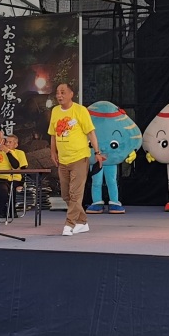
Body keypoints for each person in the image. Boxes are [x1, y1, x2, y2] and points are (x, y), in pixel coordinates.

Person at [48, 82, 103, 236]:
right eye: (58, 92)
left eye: (63, 92)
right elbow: (53, 134)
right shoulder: (55, 111)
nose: (59, 95)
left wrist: (97, 152)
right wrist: (53, 152)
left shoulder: (80, 110)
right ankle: (82, 222)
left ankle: (69, 224)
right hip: (63, 159)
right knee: (66, 194)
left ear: (71, 94)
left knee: (75, 194)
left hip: (80, 157)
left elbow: (91, 133)